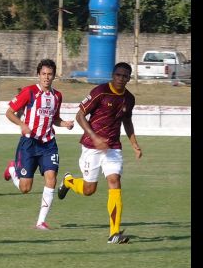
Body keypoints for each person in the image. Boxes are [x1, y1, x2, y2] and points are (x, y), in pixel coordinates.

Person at [56, 62, 143, 244]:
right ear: (113, 75)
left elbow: (127, 121)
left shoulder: (129, 99)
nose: (121, 78)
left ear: (129, 78)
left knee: (114, 180)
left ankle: (114, 233)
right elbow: (80, 115)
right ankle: (69, 181)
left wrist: (134, 144)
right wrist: (95, 138)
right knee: (89, 190)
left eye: (125, 76)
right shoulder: (100, 91)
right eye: (118, 75)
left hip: (113, 147)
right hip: (91, 146)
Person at [2, 59, 74, 229]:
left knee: (51, 178)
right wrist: (22, 124)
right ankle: (12, 169)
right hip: (29, 143)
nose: (46, 77)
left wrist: (65, 124)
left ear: (54, 76)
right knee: (25, 188)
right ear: (38, 75)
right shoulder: (29, 92)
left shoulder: (57, 96)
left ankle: (41, 221)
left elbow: (55, 119)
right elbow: (9, 112)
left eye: (50, 74)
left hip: (48, 144)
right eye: (43, 74)